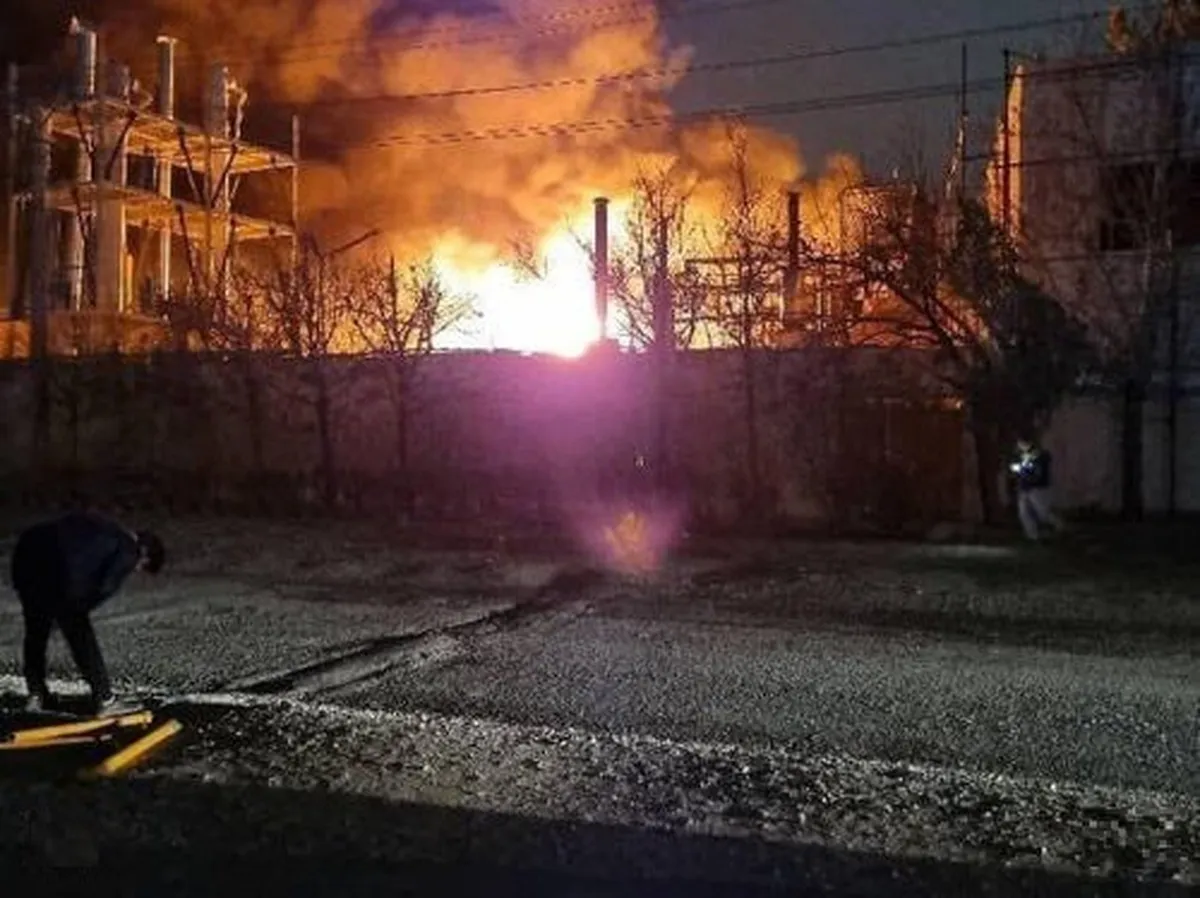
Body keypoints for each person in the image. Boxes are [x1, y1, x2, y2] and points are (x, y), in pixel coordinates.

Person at [9, 511, 165, 715]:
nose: (135, 569)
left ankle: (36, 696)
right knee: (81, 635)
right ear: (144, 553)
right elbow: (104, 586)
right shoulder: (129, 548)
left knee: (36, 633)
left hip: (28, 553)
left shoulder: (104, 526)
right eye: (141, 566)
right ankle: (105, 700)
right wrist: (76, 610)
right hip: (61, 572)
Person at [1009, 437, 1065, 542]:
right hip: (1024, 487)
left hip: (1038, 488)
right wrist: (1019, 469)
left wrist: (1023, 469)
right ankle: (1033, 536)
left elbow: (1037, 472)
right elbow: (1015, 467)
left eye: (1023, 443)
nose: (1020, 446)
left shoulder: (1039, 455)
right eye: (1019, 444)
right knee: (1024, 513)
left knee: (1043, 512)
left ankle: (1059, 526)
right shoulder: (1021, 456)